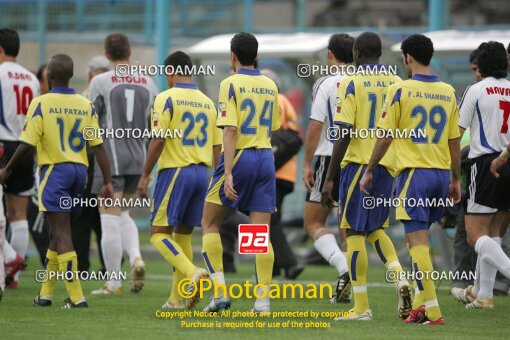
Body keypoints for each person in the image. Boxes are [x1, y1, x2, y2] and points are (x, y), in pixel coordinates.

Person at [359, 34, 461, 325]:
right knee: (419, 240)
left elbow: (386, 135)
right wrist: (455, 179)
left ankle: (434, 312)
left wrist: (369, 169)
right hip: (441, 175)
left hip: (414, 174)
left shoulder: (401, 89)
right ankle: (419, 305)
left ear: (407, 57)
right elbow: (454, 140)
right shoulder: (448, 91)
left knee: (417, 243)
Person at [0, 53, 113, 308]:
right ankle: (46, 293)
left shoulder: (41, 103)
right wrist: (107, 181)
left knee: (62, 232)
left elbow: (27, 144)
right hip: (79, 174)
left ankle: (76, 296)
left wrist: (7, 169)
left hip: (55, 172)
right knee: (57, 230)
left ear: (49, 77)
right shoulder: (86, 105)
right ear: (71, 76)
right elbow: (98, 146)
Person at [321, 32, 410, 321]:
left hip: (358, 165)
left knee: (353, 232)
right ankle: (399, 277)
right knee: (376, 228)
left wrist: (330, 177)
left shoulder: (350, 82)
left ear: (357, 53)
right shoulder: (397, 82)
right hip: (386, 166)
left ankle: (361, 308)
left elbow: (344, 131)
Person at [200, 32, 280, 313]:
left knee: (209, 222)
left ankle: (220, 292)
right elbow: (274, 125)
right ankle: (262, 302)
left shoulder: (229, 83)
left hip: (241, 156)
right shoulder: (270, 84)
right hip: (265, 156)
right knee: (258, 231)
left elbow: (230, 129)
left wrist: (229, 171)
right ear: (256, 56)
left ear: (232, 56)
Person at [138, 51, 220, 309]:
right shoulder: (208, 102)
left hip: (176, 171)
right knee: (182, 234)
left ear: (170, 72)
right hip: (201, 174)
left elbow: (159, 138)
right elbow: (217, 147)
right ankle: (175, 299)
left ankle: (193, 272)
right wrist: (217, 178)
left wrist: (145, 174)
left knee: (157, 233)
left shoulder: (165, 98)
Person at [90, 33, 157, 295]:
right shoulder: (149, 82)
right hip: (139, 158)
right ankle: (136, 257)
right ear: (129, 51)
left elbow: (91, 120)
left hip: (111, 159)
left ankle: (114, 282)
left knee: (108, 218)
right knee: (124, 214)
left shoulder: (100, 81)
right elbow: (154, 123)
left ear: (106, 55)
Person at [452, 41, 510, 309]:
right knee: (495, 231)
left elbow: (456, 133)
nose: (474, 73)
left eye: (476, 67)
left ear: (482, 66)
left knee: (476, 235)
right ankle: (484, 294)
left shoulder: (476, 90)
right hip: (506, 159)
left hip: (486, 164)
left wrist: (452, 172)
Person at [302, 33, 354, 303]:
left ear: (330, 55)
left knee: (312, 222)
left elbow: (315, 125)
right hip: (357, 159)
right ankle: (353, 278)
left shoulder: (325, 83)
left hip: (327, 156)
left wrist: (307, 163)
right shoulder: (364, 82)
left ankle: (343, 268)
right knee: (349, 225)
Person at [0, 28, 40, 288]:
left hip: (2, 145)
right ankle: (14, 275)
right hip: (26, 146)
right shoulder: (32, 79)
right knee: (19, 213)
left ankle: (10, 258)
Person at [261, 68, 303, 280]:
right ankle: (274, 267)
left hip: (271, 171)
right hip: (286, 172)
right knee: (269, 219)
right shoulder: (285, 100)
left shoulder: (273, 100)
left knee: (262, 220)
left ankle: (288, 263)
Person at [71, 55, 111, 273]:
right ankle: (110, 266)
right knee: (106, 216)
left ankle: (81, 266)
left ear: (89, 74)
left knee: (82, 217)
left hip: (87, 160)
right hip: (110, 160)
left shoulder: (83, 98)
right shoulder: (117, 96)